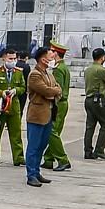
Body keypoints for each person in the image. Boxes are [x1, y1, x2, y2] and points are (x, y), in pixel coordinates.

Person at [24, 43, 63, 188]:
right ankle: (31, 174)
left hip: (49, 115)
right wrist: (54, 91)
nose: (53, 57)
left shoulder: (49, 73)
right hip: (37, 115)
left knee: (42, 145)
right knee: (33, 147)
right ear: (42, 59)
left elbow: (59, 89)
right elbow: (47, 91)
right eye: (50, 55)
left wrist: (54, 91)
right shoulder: (35, 74)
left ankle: (37, 171)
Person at [0, 47, 26, 166]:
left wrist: (15, 90)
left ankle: (18, 157)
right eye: (10, 58)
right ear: (4, 58)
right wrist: (0, 93)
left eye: (14, 59)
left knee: (16, 134)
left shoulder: (18, 72)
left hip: (13, 108)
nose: (12, 61)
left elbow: (23, 88)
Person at [42, 46, 74, 172]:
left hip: (59, 103)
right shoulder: (63, 67)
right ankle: (49, 158)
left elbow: (58, 90)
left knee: (52, 131)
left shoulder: (58, 70)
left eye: (52, 51)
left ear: (56, 54)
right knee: (54, 132)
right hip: (62, 103)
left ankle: (63, 160)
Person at [82, 47, 105, 161]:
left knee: (90, 126)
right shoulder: (102, 70)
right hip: (99, 99)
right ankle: (99, 150)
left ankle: (87, 151)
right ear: (103, 57)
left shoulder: (88, 69)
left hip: (88, 99)